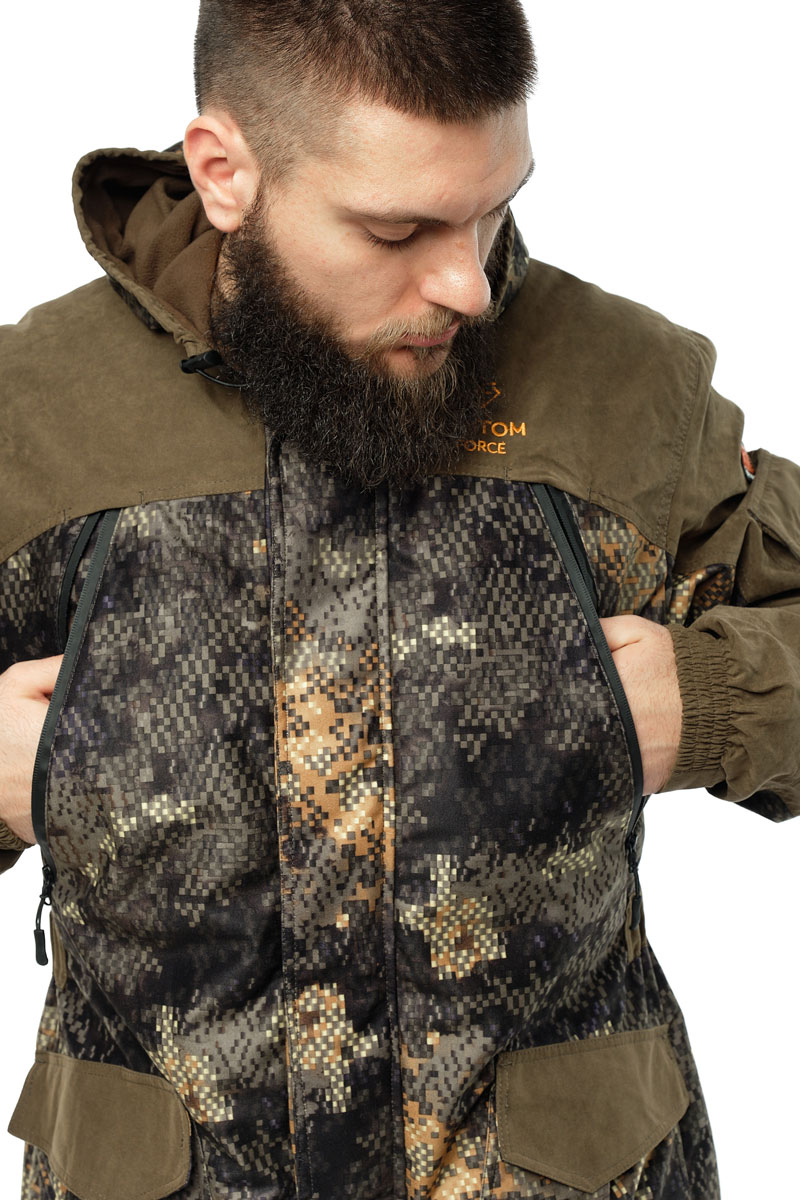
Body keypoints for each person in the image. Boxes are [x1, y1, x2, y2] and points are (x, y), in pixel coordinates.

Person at [1, 2, 798, 1198]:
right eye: (397, 229)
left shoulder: (623, 386)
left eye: (491, 209)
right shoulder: (35, 411)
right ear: (223, 173)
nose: (465, 284)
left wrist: (713, 703)